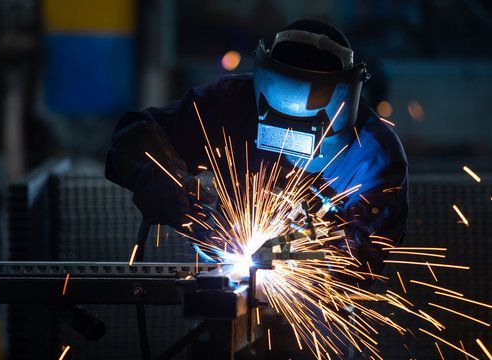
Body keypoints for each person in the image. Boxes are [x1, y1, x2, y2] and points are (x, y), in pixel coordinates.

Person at [105, 19, 408, 358]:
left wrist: (304, 251)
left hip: (317, 324)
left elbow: (364, 255)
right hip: (227, 302)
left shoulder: (373, 154)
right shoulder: (229, 104)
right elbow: (133, 137)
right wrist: (188, 206)